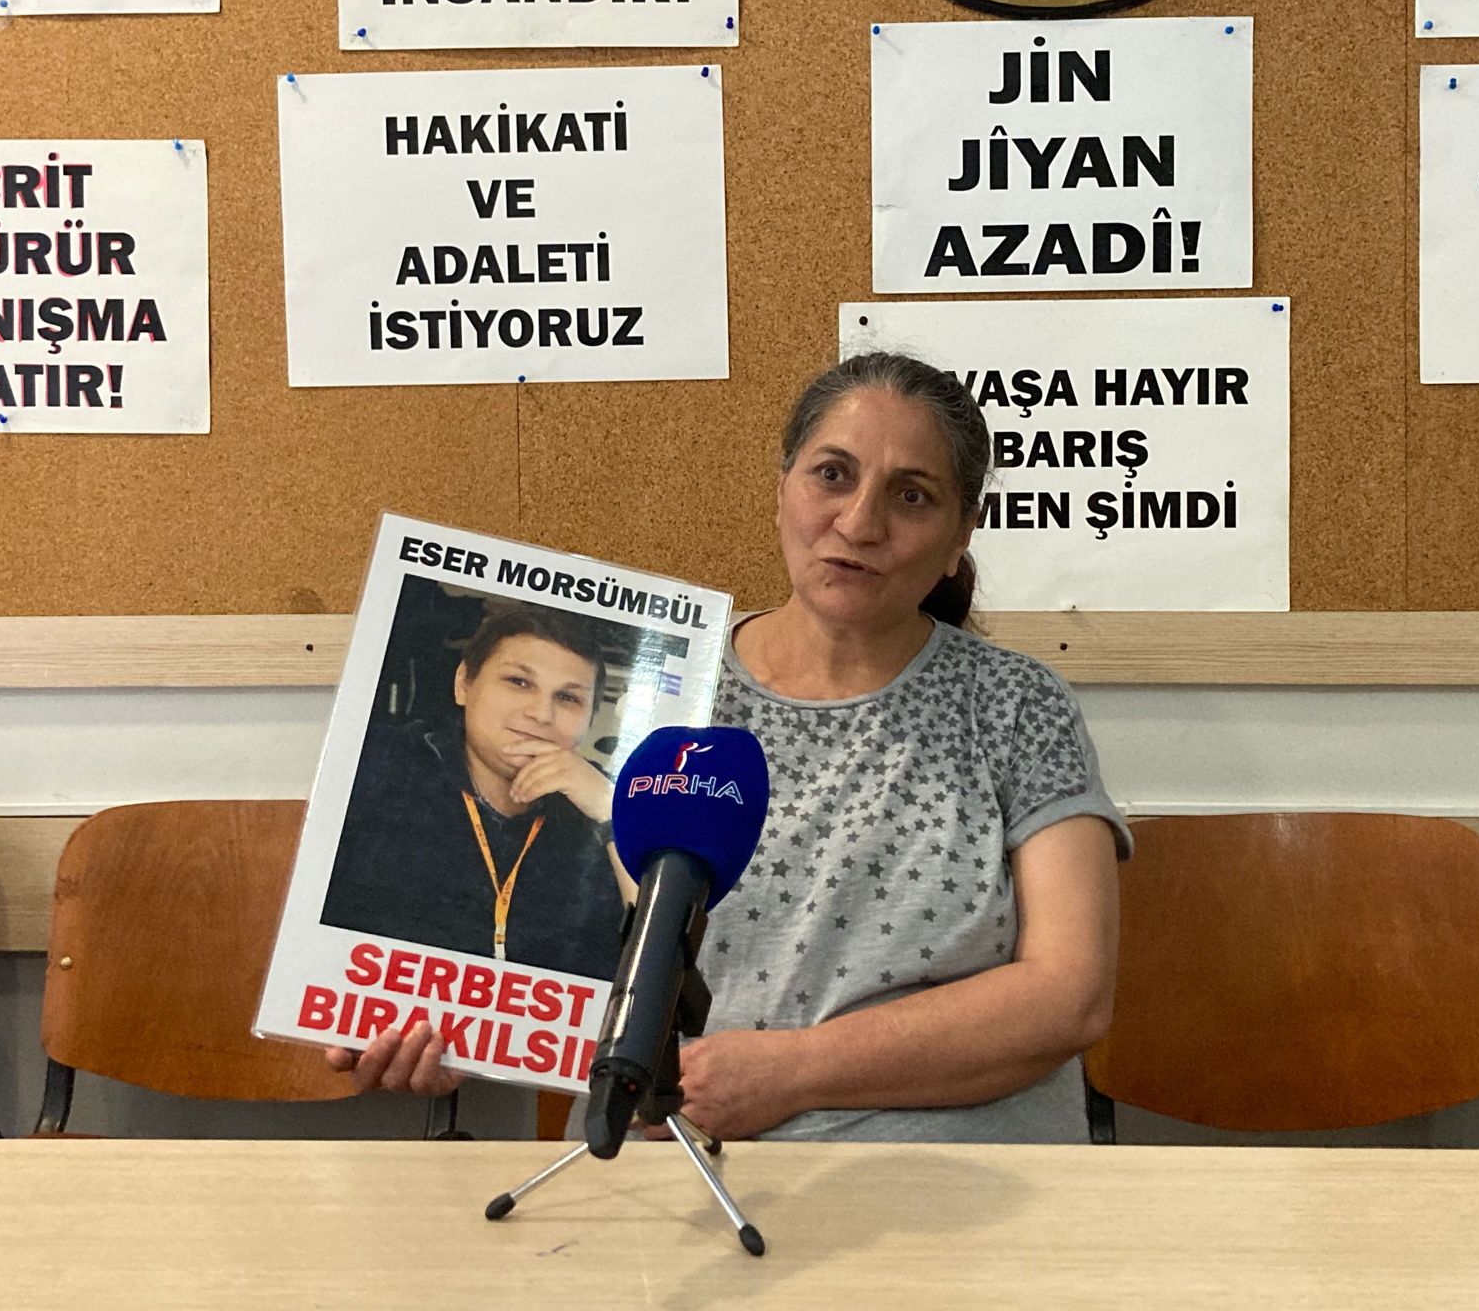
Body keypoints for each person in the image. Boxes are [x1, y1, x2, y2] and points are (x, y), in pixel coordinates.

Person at [338, 352, 1128, 1141]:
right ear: (782, 488)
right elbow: (549, 941)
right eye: (832, 475)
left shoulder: (1016, 704)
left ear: (960, 535)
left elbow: (1069, 995)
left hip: (956, 1178)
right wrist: (460, 1028)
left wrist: (795, 1071)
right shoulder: (660, 695)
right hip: (663, 1158)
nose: (859, 524)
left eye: (911, 495)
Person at [319, 603, 631, 984]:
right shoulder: (374, 764)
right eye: (519, 682)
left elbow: (657, 960)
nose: (541, 714)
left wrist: (614, 814)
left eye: (568, 698)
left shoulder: (611, 804)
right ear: (463, 684)